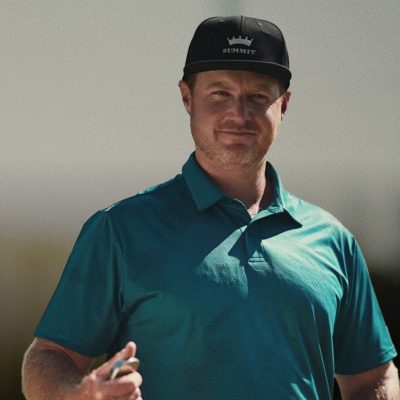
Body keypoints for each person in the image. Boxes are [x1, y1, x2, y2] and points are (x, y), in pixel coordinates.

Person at [22, 15, 399, 400]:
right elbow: (50, 356)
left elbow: (375, 377)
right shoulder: (119, 230)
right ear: (187, 97)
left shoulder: (334, 241)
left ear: (284, 104)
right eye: (220, 93)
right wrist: (79, 395)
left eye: (258, 96)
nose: (240, 113)